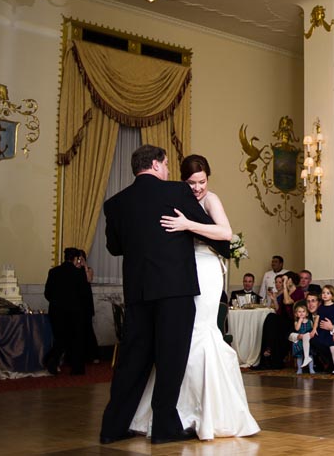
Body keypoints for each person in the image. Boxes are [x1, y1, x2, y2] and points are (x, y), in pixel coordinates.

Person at [99, 145, 229, 445]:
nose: (168, 169)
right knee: (171, 359)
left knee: (132, 361)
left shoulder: (115, 203)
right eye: (166, 164)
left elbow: (114, 248)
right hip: (175, 290)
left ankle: (112, 427)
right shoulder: (176, 193)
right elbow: (207, 229)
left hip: (138, 291)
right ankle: (164, 428)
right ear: (157, 165)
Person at [129, 153, 258, 441]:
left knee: (202, 329)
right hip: (182, 269)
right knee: (179, 335)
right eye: (191, 182)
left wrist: (188, 225)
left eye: (202, 181)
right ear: (182, 180)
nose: (198, 188)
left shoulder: (212, 200)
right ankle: (173, 410)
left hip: (208, 268)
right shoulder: (175, 196)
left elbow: (225, 232)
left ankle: (209, 411)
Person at [43, 247, 91, 375]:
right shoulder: (78, 273)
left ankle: (51, 361)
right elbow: (84, 293)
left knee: (60, 339)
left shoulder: (53, 272)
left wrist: (56, 303)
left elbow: (47, 293)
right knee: (76, 341)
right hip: (75, 313)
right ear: (76, 258)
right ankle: (77, 369)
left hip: (56, 312)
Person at [314, 284, 334, 375]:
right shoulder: (321, 307)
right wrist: (314, 329)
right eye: (323, 293)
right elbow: (317, 319)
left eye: (328, 293)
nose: (325, 295)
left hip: (330, 333)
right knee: (318, 345)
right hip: (322, 332)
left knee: (333, 348)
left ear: (332, 296)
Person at [291, 301, 315, 374]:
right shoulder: (296, 322)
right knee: (300, 356)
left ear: (307, 313)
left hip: (308, 341)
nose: (301, 313)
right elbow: (297, 329)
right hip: (300, 341)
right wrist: (300, 321)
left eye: (303, 311)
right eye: (299, 312)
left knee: (310, 355)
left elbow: (312, 329)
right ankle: (299, 369)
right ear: (296, 314)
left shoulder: (310, 321)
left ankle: (311, 369)